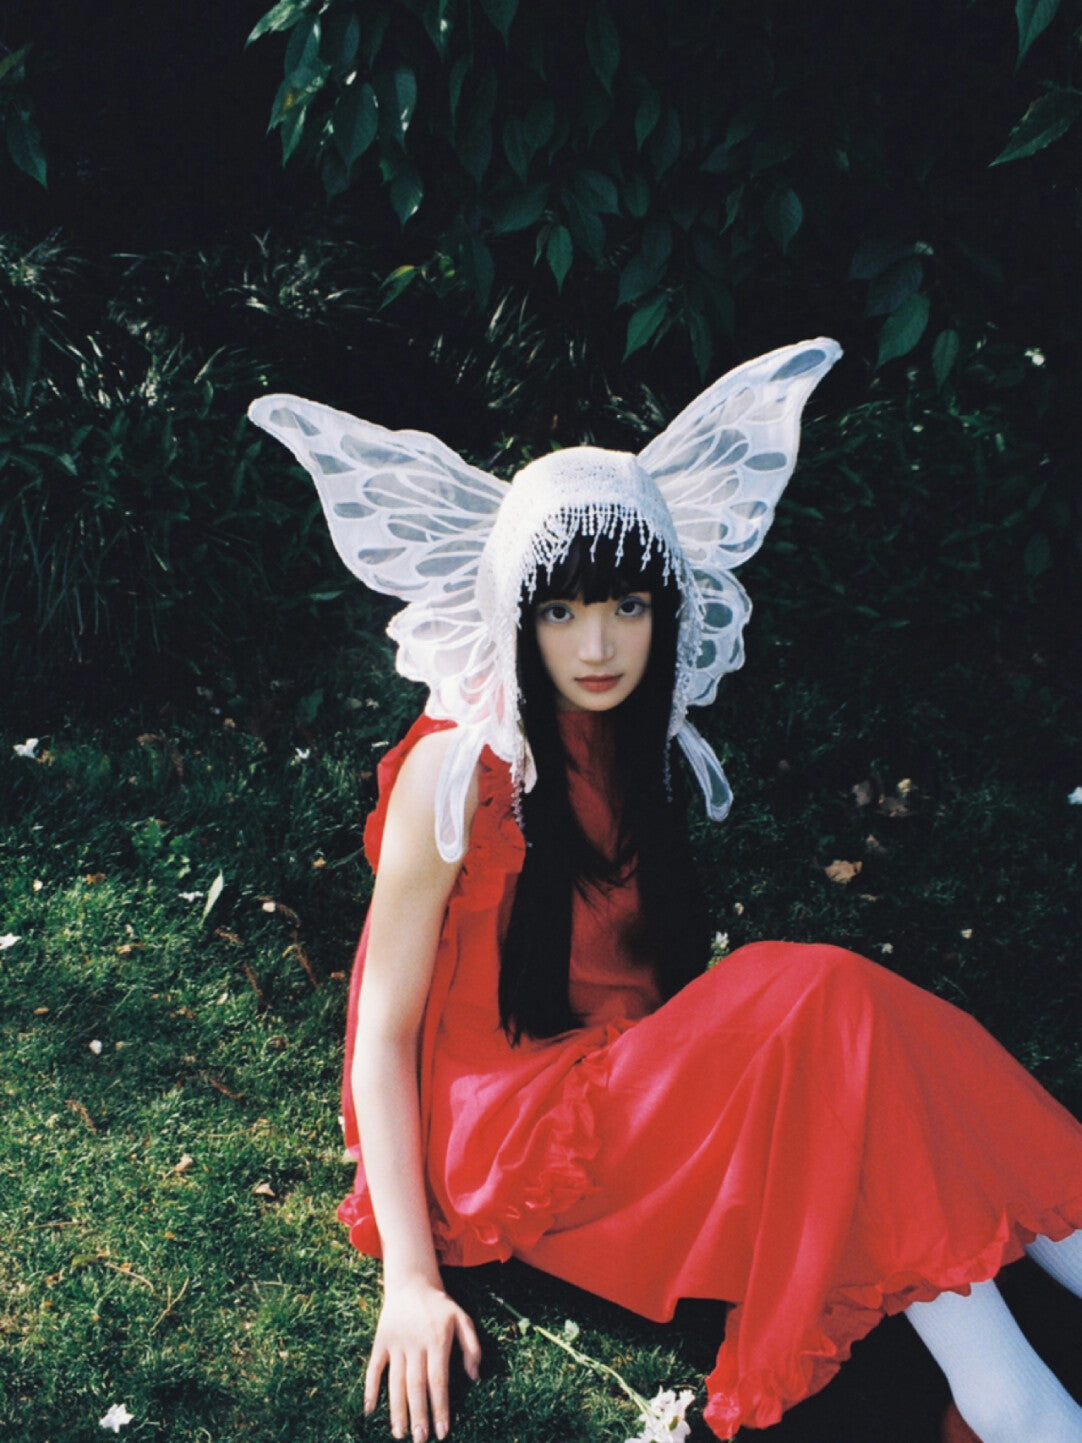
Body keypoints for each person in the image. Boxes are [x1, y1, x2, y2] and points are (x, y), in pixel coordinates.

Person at [249, 340, 1082, 1443]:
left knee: (861, 1049)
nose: (596, 645)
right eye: (559, 612)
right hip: (515, 1143)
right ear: (511, 612)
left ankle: (1032, 1347)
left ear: (668, 608)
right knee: (827, 1002)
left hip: (620, 1084)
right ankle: (1016, 1404)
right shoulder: (458, 766)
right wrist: (410, 1278)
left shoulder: (628, 739)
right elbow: (382, 1032)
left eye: (627, 607)